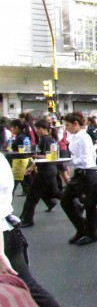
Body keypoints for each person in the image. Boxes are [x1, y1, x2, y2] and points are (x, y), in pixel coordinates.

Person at [0, 125, 61, 307]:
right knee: (29, 286)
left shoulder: (46, 140)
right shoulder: (3, 159)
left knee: (28, 286)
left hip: (5, 231)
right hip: (8, 228)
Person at [61, 112, 97, 245]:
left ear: (76, 124)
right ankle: (83, 228)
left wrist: (69, 162)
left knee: (90, 205)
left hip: (88, 173)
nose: (66, 128)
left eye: (68, 125)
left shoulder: (84, 137)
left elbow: (86, 159)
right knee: (65, 201)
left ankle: (92, 233)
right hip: (80, 173)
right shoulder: (74, 136)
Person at [20, 119, 62, 227]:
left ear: (44, 129)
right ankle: (76, 205)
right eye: (36, 129)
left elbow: (49, 155)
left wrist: (34, 156)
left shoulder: (46, 140)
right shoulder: (43, 139)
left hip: (46, 170)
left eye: (39, 129)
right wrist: (32, 166)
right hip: (48, 169)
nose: (37, 131)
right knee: (55, 192)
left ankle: (27, 218)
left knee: (32, 195)